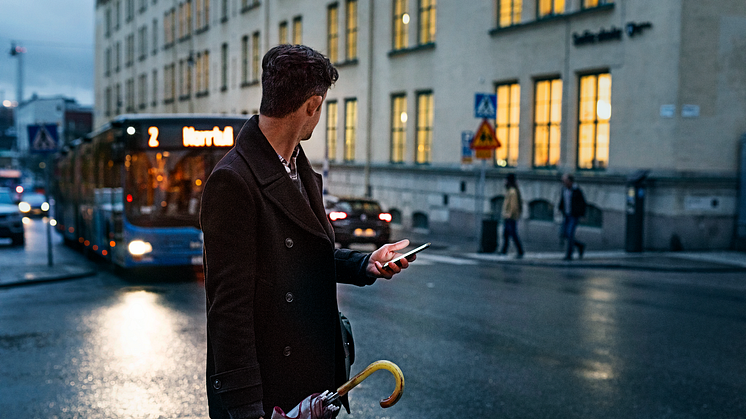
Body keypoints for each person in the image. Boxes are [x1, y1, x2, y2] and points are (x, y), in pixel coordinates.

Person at [200, 44, 414, 419]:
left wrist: (365, 264)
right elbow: (228, 312)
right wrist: (248, 410)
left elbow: (301, 257)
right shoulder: (233, 180)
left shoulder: (298, 167)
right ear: (312, 106)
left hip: (311, 383)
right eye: (322, 107)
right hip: (271, 395)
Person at [558, 173, 587, 261]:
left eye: (565, 181)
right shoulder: (564, 190)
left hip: (574, 215)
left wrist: (582, 214)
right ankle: (580, 245)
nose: (563, 183)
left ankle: (569, 255)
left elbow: (582, 203)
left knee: (570, 234)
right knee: (564, 233)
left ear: (570, 181)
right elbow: (562, 200)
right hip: (566, 214)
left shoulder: (577, 190)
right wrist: (560, 209)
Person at [499, 173, 524, 258]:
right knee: (506, 234)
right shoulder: (510, 191)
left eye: (506, 180)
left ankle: (520, 250)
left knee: (512, 234)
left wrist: (509, 215)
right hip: (509, 216)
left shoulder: (512, 192)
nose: (504, 182)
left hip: (510, 217)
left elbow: (513, 205)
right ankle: (504, 250)